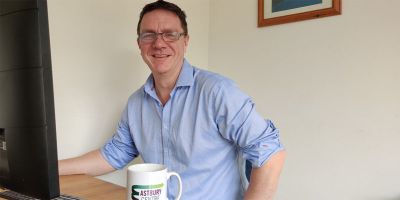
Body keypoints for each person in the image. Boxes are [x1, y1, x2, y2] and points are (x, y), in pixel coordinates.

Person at [59, 0, 286, 199]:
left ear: (185, 42)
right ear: (140, 45)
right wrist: (46, 169)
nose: (159, 43)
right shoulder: (136, 103)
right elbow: (111, 156)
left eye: (170, 34)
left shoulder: (217, 91)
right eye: (149, 35)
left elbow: (271, 153)